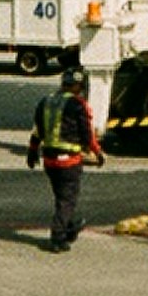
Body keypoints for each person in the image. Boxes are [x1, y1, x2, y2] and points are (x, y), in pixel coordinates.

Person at [26, 70, 98, 250]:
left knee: (62, 197)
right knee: (67, 199)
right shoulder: (77, 105)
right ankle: (58, 236)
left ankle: (69, 226)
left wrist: (32, 151)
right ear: (77, 86)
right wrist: (98, 153)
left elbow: (37, 130)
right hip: (69, 162)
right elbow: (87, 135)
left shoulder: (46, 102)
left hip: (50, 161)